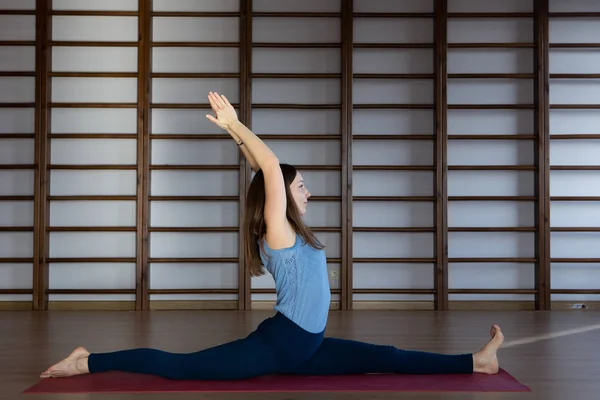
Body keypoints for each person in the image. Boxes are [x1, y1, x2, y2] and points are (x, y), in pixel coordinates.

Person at [40, 92, 504, 380]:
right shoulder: (277, 229)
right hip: (283, 343)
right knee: (181, 368)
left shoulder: (288, 229)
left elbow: (265, 172)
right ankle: (88, 360)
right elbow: (269, 169)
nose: (308, 191)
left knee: (387, 355)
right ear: (281, 194)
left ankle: (476, 362)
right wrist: (236, 125)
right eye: (300, 184)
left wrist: (235, 137)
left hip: (306, 345)